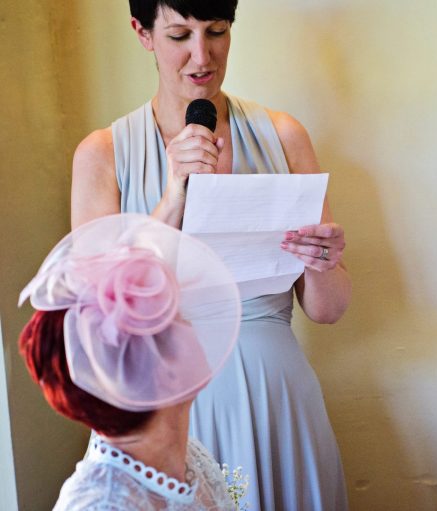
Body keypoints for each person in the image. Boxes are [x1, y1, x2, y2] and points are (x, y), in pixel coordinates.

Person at [70, 1, 351, 509]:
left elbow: (328, 310)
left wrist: (323, 261)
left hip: (276, 397)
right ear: (143, 33)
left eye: (217, 31)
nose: (203, 56)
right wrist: (172, 197)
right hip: (169, 406)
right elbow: (96, 318)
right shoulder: (103, 153)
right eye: (179, 35)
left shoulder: (284, 135)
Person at [18, 213, 242, 510]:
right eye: (178, 321)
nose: (191, 325)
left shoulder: (190, 457)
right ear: (162, 373)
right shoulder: (102, 504)